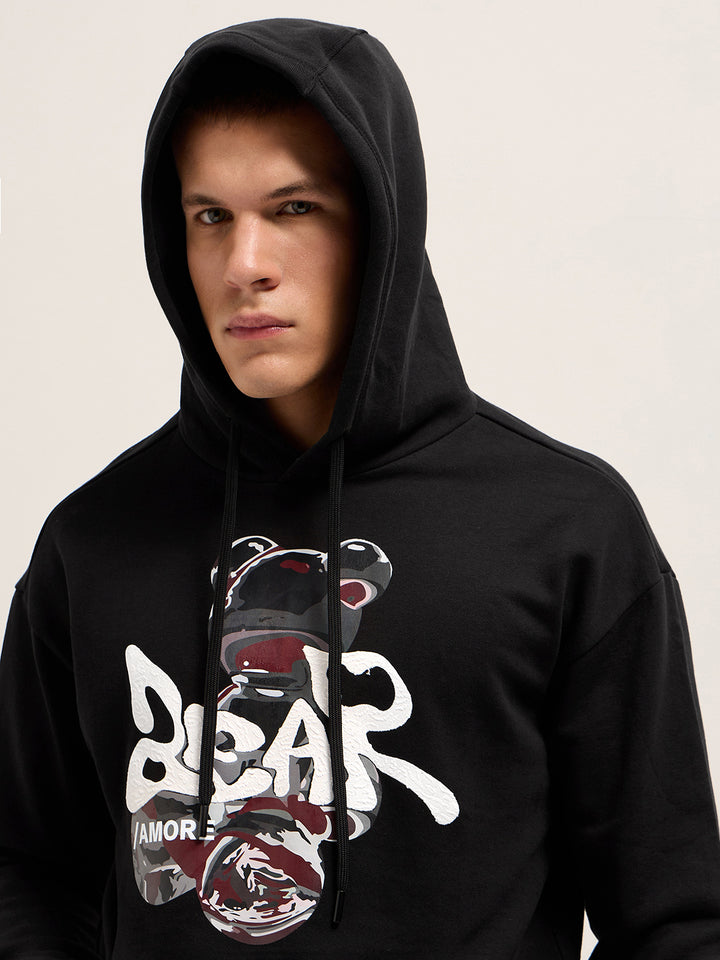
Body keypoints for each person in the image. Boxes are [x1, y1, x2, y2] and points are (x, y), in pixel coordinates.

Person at [1, 16, 719, 959]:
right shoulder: (93, 541)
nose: (245, 265)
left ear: (382, 224)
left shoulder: (564, 528)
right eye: (210, 216)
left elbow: (673, 919)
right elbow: (26, 874)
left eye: (294, 208)